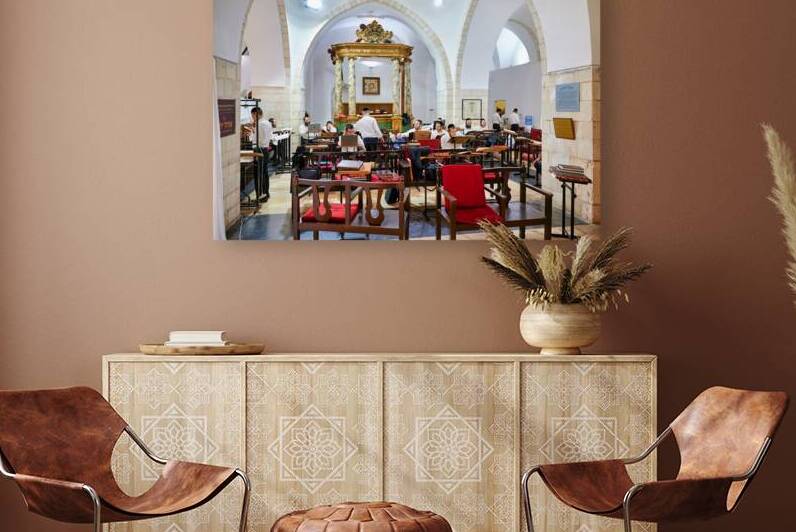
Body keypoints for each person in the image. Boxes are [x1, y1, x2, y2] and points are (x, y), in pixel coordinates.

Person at [249, 107, 272, 199]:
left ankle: (261, 194)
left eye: (252, 115)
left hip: (259, 149)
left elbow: (255, 140)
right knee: (264, 172)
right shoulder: (267, 123)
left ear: (256, 114)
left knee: (259, 173)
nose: (252, 118)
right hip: (265, 149)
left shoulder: (259, 124)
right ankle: (266, 192)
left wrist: (251, 134)